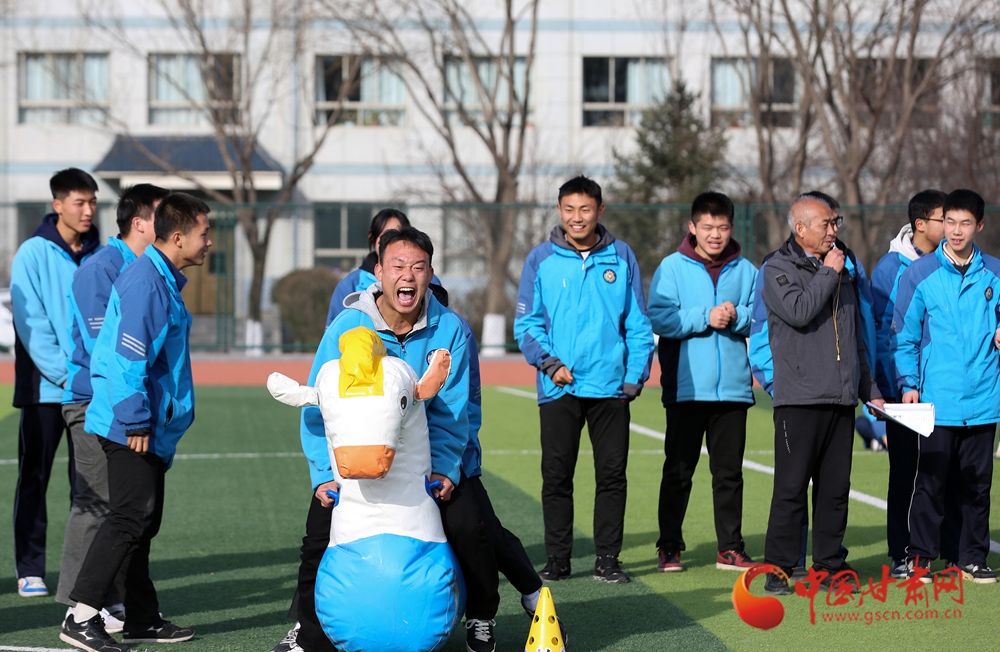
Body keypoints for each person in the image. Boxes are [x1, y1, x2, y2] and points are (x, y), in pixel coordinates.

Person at [295, 227, 506, 652]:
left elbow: (454, 410)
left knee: (469, 525)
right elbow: (319, 403)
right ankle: (306, 631)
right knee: (318, 533)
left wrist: (445, 470)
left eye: (418, 267)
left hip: (424, 463)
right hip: (359, 461)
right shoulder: (347, 326)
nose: (407, 275)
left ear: (430, 274)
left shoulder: (450, 329)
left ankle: (481, 616)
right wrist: (324, 473)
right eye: (398, 266)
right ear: (379, 272)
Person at [61, 192, 211, 652]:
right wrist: (136, 421)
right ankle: (80, 615)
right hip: (129, 425)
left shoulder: (159, 278)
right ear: (179, 237)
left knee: (143, 522)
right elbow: (127, 359)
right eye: (205, 234)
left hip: (145, 425)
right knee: (130, 517)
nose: (210, 243)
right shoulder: (147, 282)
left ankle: (142, 619)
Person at [514, 176, 655, 585]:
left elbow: (638, 323)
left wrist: (633, 377)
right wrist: (550, 364)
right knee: (557, 476)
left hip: (611, 388)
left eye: (586, 209)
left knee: (612, 476)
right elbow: (527, 323)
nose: (577, 217)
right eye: (569, 209)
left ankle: (608, 559)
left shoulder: (622, 256)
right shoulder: (540, 259)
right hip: (559, 386)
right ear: (560, 210)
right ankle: (558, 560)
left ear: (600, 211)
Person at [56, 184, 170, 628]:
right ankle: (79, 605)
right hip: (93, 400)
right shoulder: (100, 268)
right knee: (99, 502)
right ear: (140, 223)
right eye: (164, 215)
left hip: (123, 400)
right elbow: (105, 346)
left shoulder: (149, 268)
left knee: (127, 506)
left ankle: (118, 605)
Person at [760, 194, 883, 595]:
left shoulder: (842, 268)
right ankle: (780, 568)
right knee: (791, 489)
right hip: (799, 400)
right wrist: (829, 272)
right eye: (826, 224)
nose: (834, 230)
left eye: (836, 222)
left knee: (834, 491)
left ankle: (830, 565)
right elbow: (798, 311)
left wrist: (870, 390)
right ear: (800, 229)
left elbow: (854, 336)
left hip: (841, 398)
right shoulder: (777, 268)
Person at [648, 192, 758, 573]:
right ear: (692, 227)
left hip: (733, 390)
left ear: (732, 228)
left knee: (729, 474)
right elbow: (660, 318)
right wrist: (704, 317)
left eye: (722, 227)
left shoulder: (746, 270)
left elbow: (762, 318)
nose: (715, 235)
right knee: (678, 471)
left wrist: (738, 315)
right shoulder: (671, 268)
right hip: (686, 389)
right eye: (708, 227)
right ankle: (669, 547)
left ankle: (730, 548)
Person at [893, 188, 1000, 584]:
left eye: (965, 223)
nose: (956, 231)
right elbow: (903, 335)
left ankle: (972, 557)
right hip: (937, 400)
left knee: (977, 486)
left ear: (979, 225)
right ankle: (920, 557)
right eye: (950, 222)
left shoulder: (996, 272)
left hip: (985, 398)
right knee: (931, 483)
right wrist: (908, 383)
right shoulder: (919, 273)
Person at [10, 167, 102, 597]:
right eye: (80, 202)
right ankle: (29, 568)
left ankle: (83, 571)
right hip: (44, 390)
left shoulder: (102, 253)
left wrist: (92, 377)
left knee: (88, 485)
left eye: (93, 202)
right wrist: (69, 374)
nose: (88, 210)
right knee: (34, 479)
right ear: (58, 205)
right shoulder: (31, 253)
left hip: (90, 391)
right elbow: (32, 325)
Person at [870, 189, 961, 578]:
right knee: (906, 472)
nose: (952, 226)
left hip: (946, 389)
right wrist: (887, 386)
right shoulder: (890, 268)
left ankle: (952, 550)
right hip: (903, 390)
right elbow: (881, 330)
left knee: (948, 470)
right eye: (945, 218)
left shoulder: (954, 261)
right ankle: (902, 552)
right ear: (921, 224)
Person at [325, 209, 444, 327]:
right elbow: (336, 328)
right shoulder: (350, 284)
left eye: (417, 268)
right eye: (386, 235)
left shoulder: (430, 281)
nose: (408, 277)